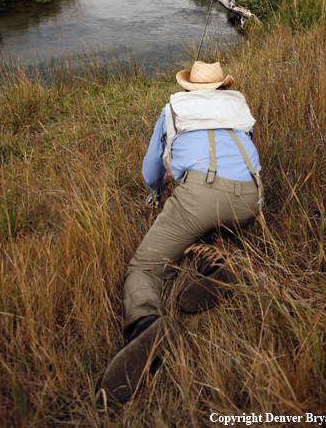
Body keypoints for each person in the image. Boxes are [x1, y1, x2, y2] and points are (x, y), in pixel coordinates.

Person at [100, 61, 263, 402]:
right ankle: (219, 262)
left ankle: (146, 323)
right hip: (252, 198)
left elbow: (152, 168)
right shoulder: (238, 104)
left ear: (188, 88)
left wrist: (157, 191)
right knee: (209, 219)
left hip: (201, 195)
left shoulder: (173, 108)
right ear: (222, 86)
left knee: (143, 268)